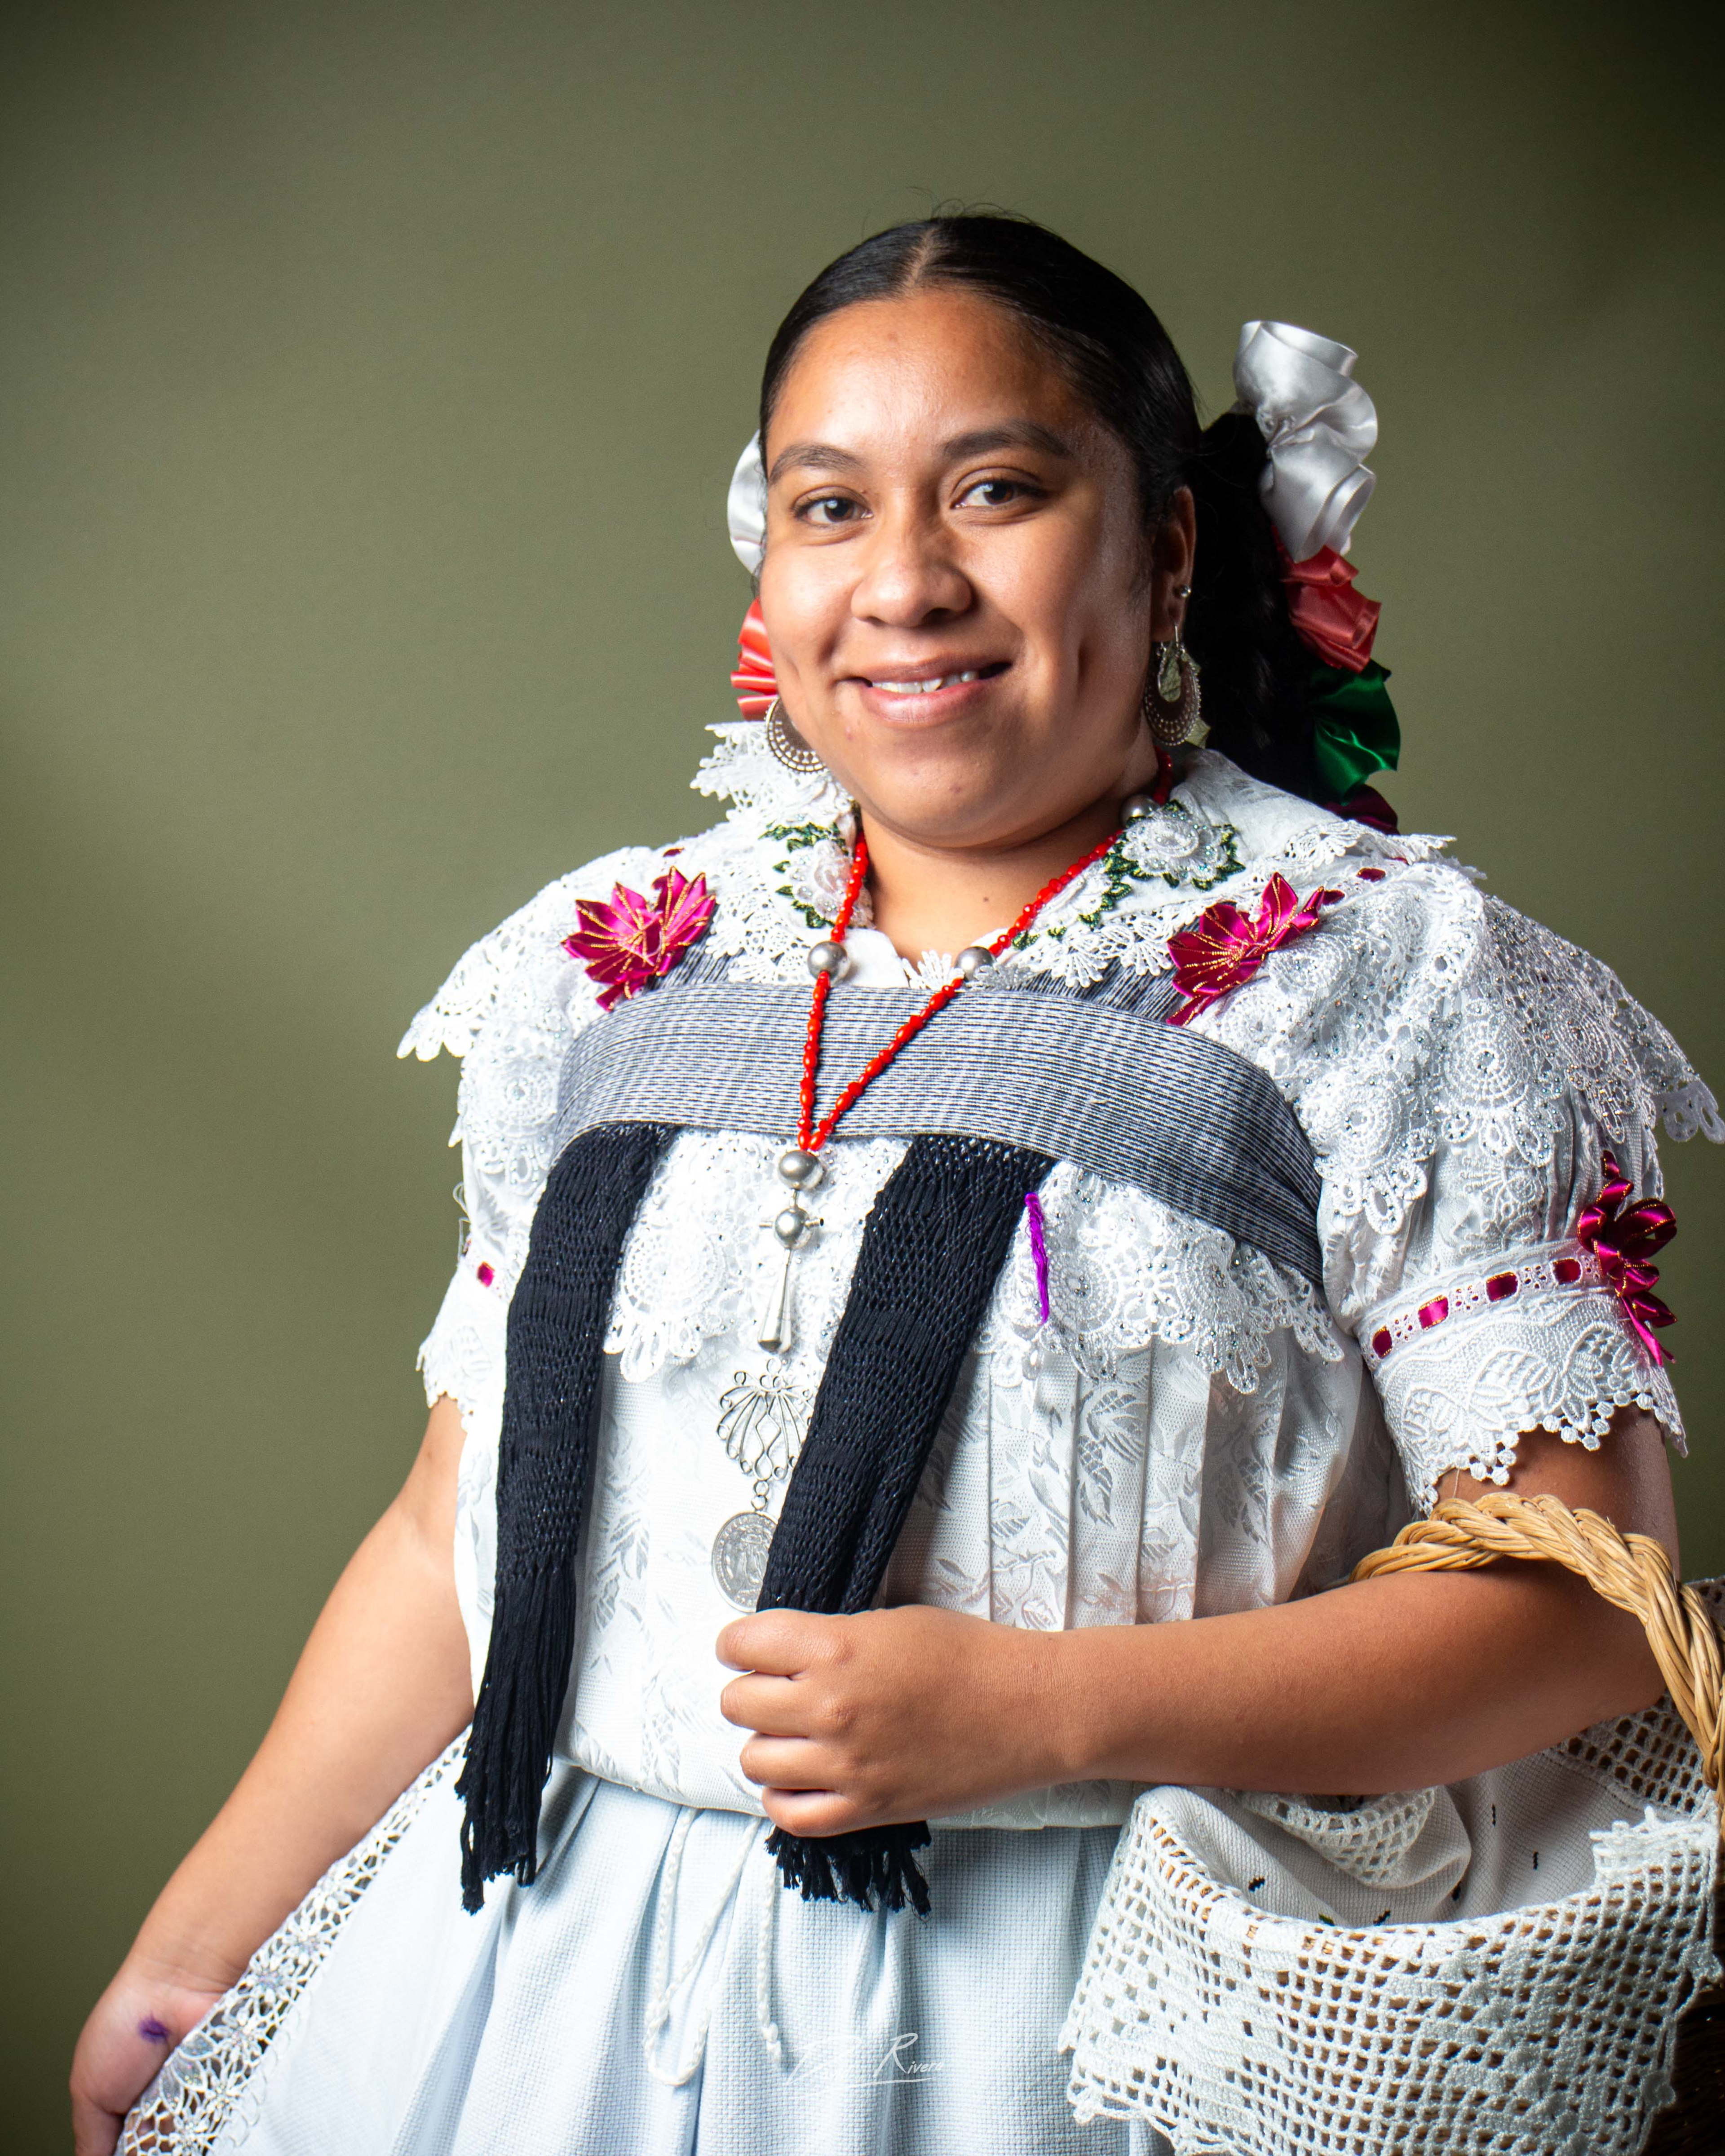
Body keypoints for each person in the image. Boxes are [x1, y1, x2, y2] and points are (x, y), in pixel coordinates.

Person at [72, 215, 1717, 2156]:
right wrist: (188, 1959)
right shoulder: (616, 959)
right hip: (536, 1998)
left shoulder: (1381, 981)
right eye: (829, 506)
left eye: (998, 493)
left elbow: (1587, 1611)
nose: (907, 585)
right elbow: (457, 1535)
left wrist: (1045, 1712)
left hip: (1079, 2025)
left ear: (1170, 543)